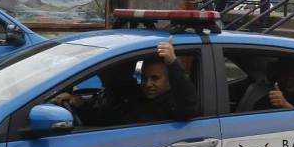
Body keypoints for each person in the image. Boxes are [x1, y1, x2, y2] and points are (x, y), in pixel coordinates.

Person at [55, 39, 197, 126]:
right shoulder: (135, 98)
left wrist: (173, 63)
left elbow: (187, 106)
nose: (147, 84)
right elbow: (106, 118)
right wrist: (79, 103)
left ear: (169, 81)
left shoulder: (172, 105)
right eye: (144, 78)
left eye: (155, 78)